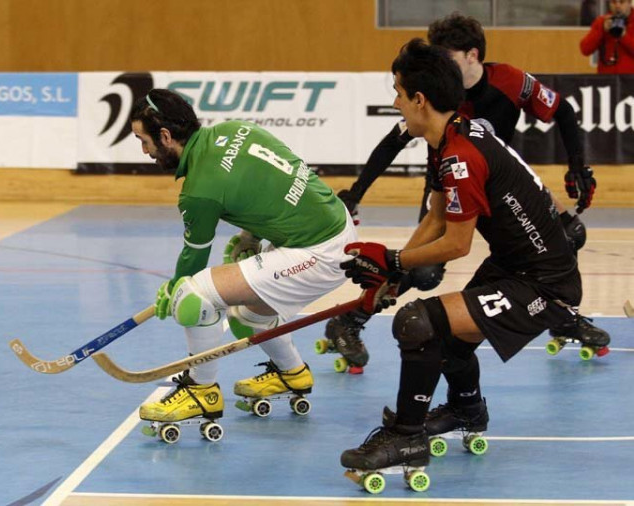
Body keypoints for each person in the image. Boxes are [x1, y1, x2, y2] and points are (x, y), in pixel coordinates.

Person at [339, 38, 592, 490]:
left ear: (419, 100)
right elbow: (436, 217)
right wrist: (392, 276)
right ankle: (465, 409)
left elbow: (456, 244)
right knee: (448, 336)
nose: (395, 103)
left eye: (398, 93)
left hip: (544, 286)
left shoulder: (461, 155)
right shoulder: (449, 138)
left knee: (419, 323)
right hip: (515, 266)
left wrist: (393, 258)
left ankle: (406, 437)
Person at [323, 12, 606, 373]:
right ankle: (351, 320)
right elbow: (393, 142)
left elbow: (563, 110)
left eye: (449, 57)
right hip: (452, 181)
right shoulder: (439, 93)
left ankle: (560, 316)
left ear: (472, 55)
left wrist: (578, 167)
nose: (441, 64)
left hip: (503, 184)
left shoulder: (510, 81)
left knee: (569, 234)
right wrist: (358, 191)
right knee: (424, 271)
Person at [129, 89, 364, 433]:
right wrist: (251, 235)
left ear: (165, 136)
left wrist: (174, 290)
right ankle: (293, 374)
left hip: (319, 251)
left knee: (193, 297)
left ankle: (201, 390)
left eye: (144, 141)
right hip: (334, 223)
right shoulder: (235, 130)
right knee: (247, 315)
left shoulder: (199, 190)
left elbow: (191, 265)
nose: (144, 151)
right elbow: (275, 179)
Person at [580, 0, 634, 74]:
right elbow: (585, 50)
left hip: (630, 79)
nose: (617, 6)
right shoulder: (602, 21)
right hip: (607, 79)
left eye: (622, 2)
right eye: (614, 2)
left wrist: (624, 36)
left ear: (630, 3)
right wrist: (601, 30)